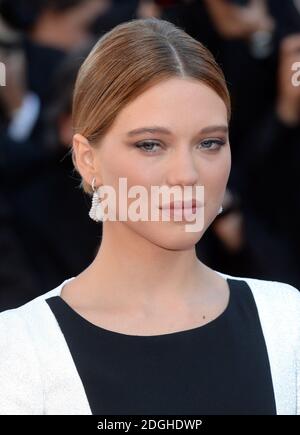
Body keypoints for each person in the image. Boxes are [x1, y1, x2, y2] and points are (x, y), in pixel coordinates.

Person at [0, 17, 299, 415]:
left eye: (209, 143)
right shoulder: (20, 352)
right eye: (151, 144)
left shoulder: (286, 322)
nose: (187, 175)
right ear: (88, 159)